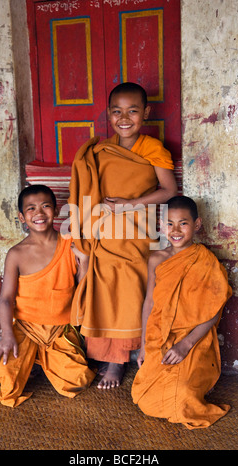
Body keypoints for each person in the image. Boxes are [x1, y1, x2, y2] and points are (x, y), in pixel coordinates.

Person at [68, 82, 178, 389]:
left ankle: (117, 362)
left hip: (136, 232)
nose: (124, 117)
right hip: (104, 230)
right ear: (108, 113)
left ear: (146, 112)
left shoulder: (153, 149)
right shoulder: (101, 151)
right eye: (117, 111)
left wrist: (130, 204)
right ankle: (104, 356)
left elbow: (169, 190)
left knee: (129, 292)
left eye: (132, 110)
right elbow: (88, 189)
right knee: (103, 292)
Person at [0, 184, 95, 407]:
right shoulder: (16, 254)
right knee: (1, 371)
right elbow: (6, 299)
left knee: (77, 380)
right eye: (31, 208)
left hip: (59, 328)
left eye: (45, 206)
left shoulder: (69, 244)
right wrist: (7, 335)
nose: (39, 213)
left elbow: (83, 288)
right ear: (21, 216)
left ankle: (37, 362)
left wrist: (83, 260)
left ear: (56, 211)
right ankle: (34, 360)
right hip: (26, 328)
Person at [131, 196, 232, 429]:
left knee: (182, 399)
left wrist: (186, 344)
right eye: (169, 223)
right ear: (161, 225)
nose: (175, 230)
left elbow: (214, 311)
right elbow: (149, 302)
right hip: (160, 334)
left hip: (194, 338)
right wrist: (144, 345)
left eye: (183, 223)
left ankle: (197, 379)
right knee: (144, 399)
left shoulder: (206, 261)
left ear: (196, 225)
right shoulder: (156, 258)